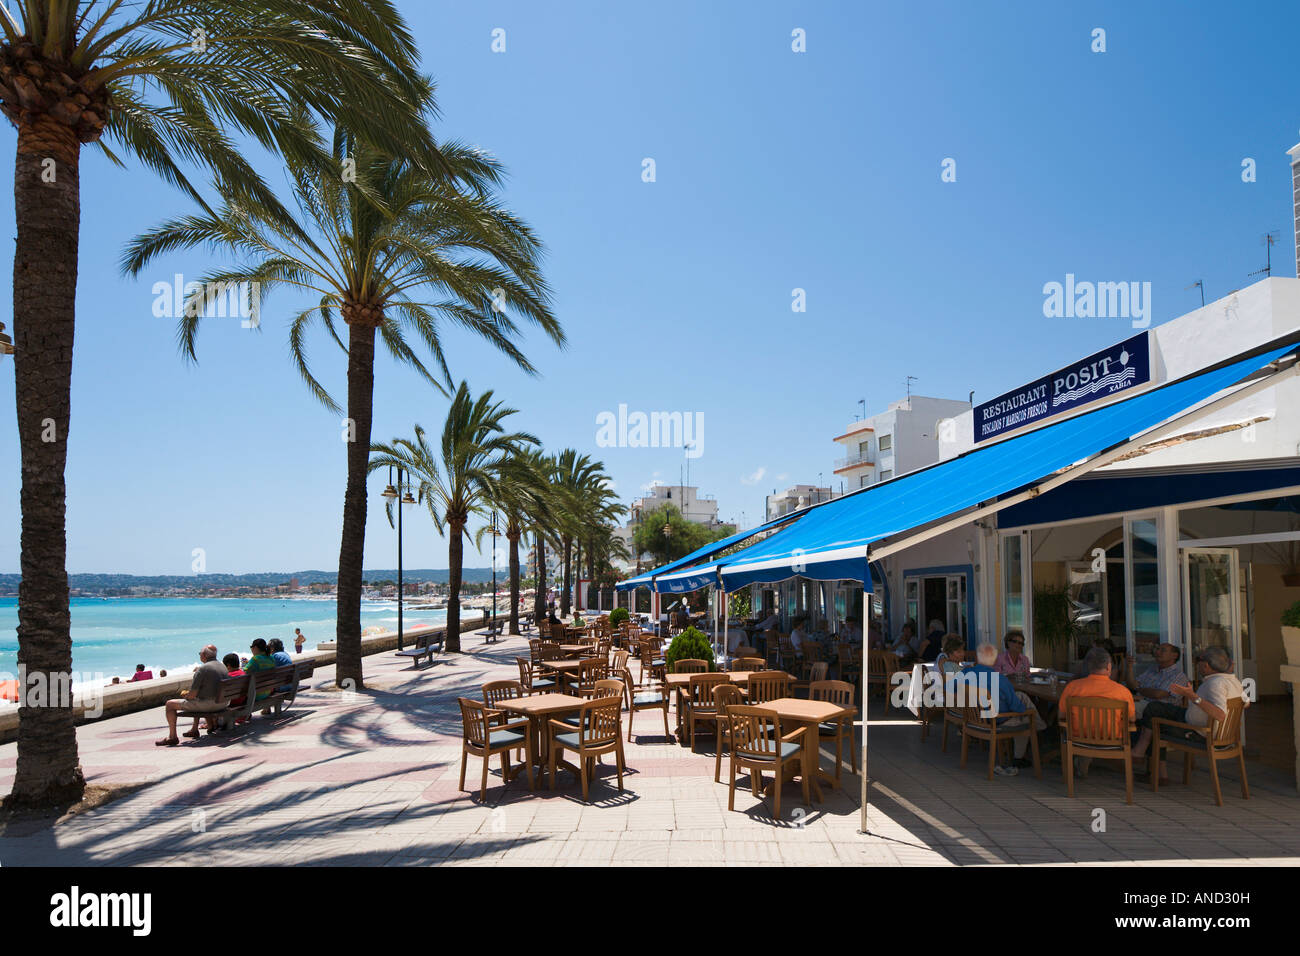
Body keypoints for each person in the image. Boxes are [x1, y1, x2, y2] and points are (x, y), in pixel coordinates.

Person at [1132, 645, 1244, 781]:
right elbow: (1245, 703)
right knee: (1154, 708)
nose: (1197, 666)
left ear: (1206, 666)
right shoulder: (1234, 681)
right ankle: (1142, 751)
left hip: (1199, 733)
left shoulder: (1215, 684)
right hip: (1203, 725)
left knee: (1155, 725)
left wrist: (1192, 696)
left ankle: (1158, 773)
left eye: (1199, 662)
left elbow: (1220, 714)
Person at [961, 643, 1045, 773]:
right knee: (1027, 717)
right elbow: (1017, 707)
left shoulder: (966, 673)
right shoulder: (1000, 679)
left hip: (973, 721)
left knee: (1020, 698)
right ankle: (1020, 756)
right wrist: (1025, 711)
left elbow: (949, 689)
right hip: (996, 722)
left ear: (977, 658)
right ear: (994, 660)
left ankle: (1038, 730)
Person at [1058, 646, 1136, 776]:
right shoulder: (1122, 691)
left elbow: (1061, 716)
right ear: (1109, 667)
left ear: (1088, 667)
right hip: (1114, 739)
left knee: (1064, 727)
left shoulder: (1073, 687)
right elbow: (1132, 719)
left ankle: (1078, 764)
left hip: (1078, 739)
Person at [156, 645, 227, 746]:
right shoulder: (223, 666)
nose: (199, 655)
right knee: (196, 700)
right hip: (223, 703)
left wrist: (187, 696)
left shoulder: (203, 669)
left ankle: (172, 737)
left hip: (209, 705)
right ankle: (194, 729)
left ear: (204, 655)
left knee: (170, 704)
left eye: (200, 653)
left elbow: (192, 695)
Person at [1128, 642, 1192, 707]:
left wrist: (1140, 691)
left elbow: (1158, 694)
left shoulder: (1178, 676)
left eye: (1163, 650)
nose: (1158, 652)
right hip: (1143, 703)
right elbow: (1133, 685)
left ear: (1174, 656)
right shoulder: (1152, 669)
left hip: (1161, 710)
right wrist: (1129, 667)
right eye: (1157, 649)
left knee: (1125, 707)